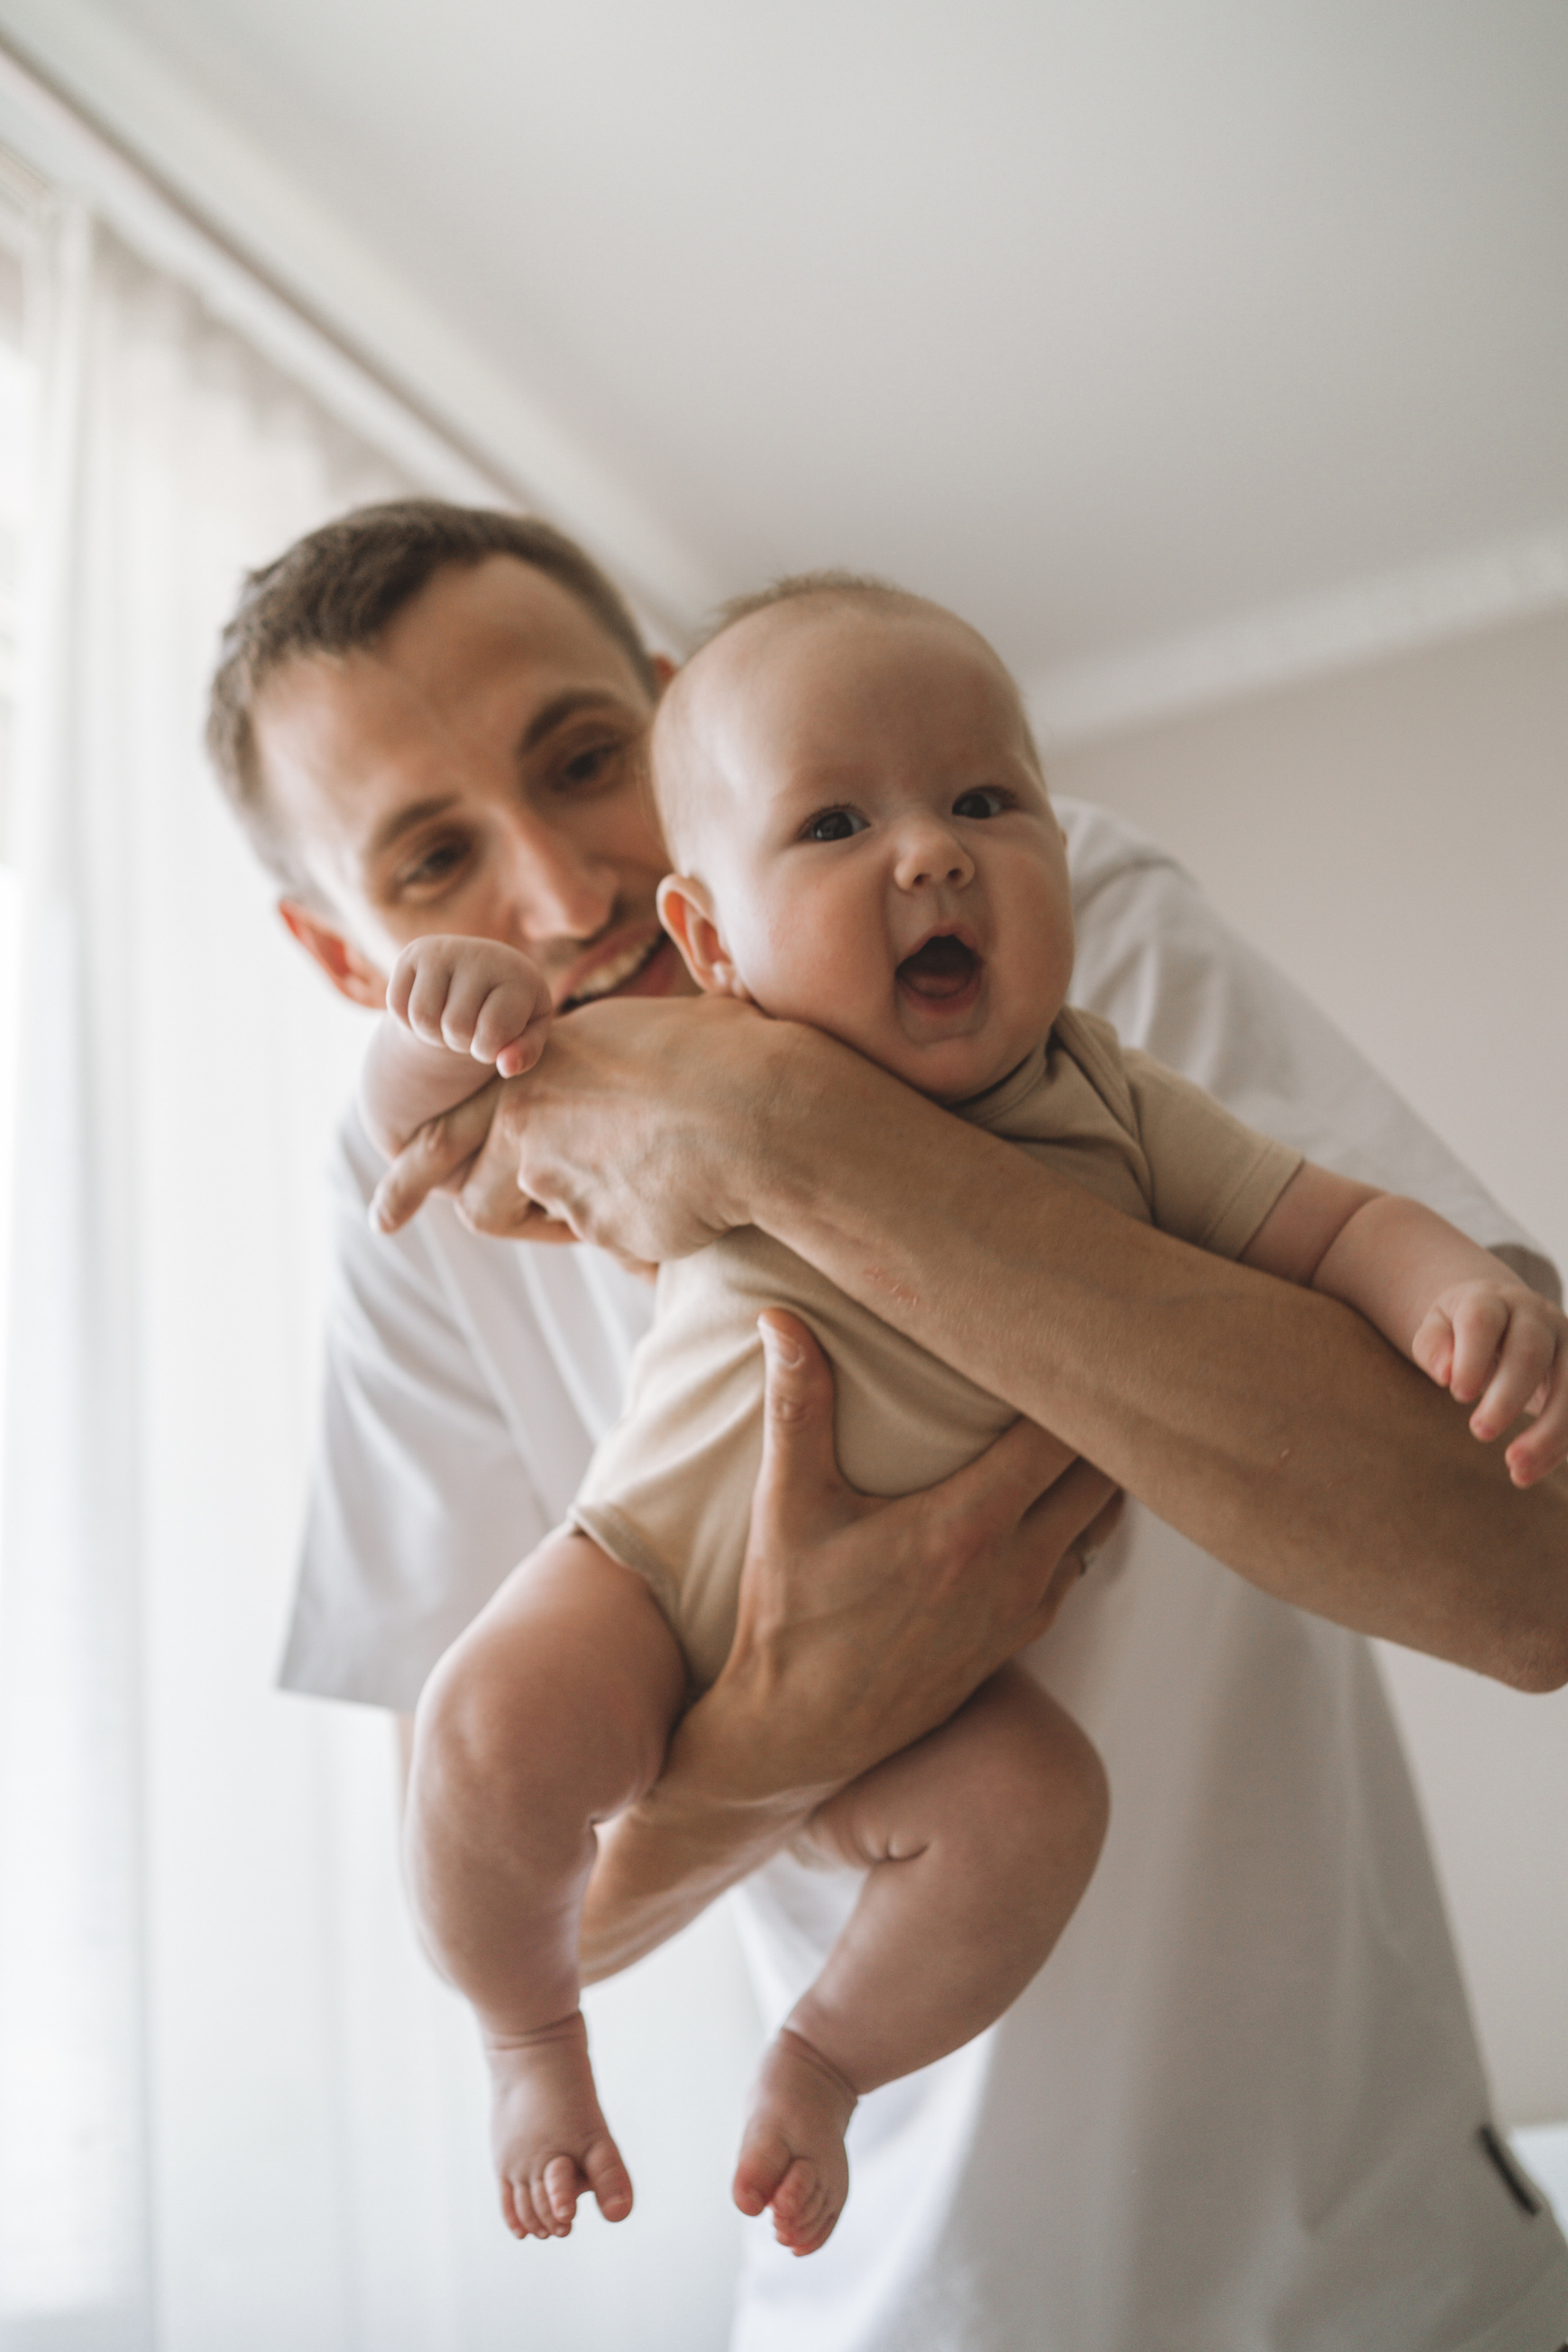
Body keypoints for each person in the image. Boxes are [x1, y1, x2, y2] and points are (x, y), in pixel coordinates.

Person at [208, 500, 1568, 2350]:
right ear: (340, 954)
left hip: (1365, 2270)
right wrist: (785, 1734)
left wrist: (784, 1135)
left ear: (685, 718)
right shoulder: (418, 1189)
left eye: (588, 760)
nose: (557, 896)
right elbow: (512, 1878)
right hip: (886, 2299)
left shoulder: (1034, 918)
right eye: (435, 859)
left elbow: (1533, 1574)